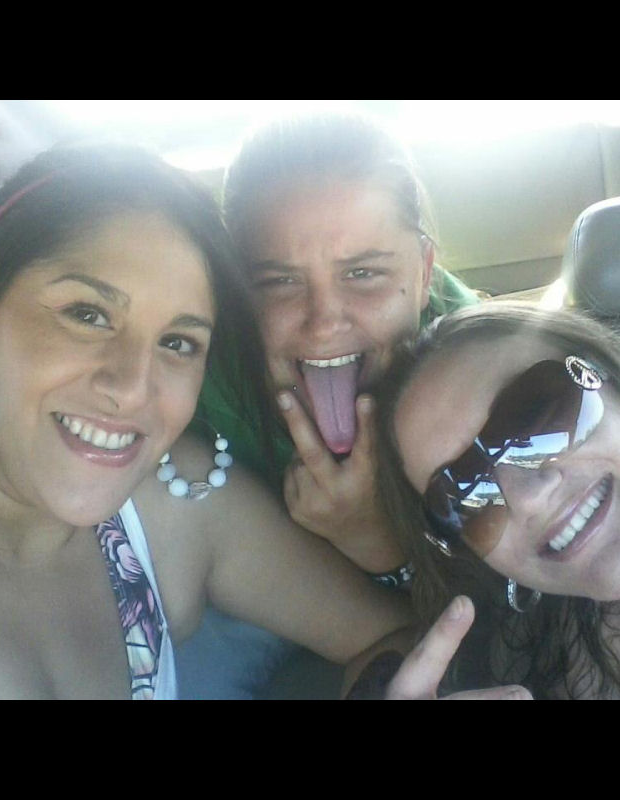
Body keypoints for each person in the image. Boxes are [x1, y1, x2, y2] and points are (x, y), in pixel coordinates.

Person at [0, 143, 411, 700]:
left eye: (178, 342)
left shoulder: (176, 498)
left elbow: (396, 636)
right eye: (88, 315)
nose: (133, 389)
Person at [180, 114, 482, 698]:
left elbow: (502, 607)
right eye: (279, 282)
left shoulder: (476, 374)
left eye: (363, 274)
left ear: (423, 273)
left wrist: (377, 541)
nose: (324, 322)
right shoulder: (192, 371)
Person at [373, 301, 620, 699]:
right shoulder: (541, 658)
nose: (528, 498)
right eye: (464, 497)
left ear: (613, 374)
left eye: (536, 416)